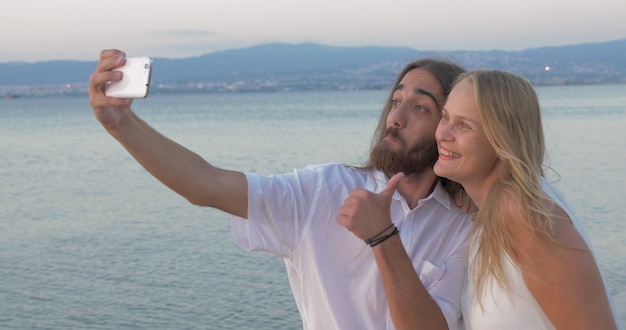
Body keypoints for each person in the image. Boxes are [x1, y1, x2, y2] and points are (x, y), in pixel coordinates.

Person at [88, 49, 473, 329]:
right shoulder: (324, 190)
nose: (396, 117)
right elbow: (208, 185)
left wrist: (385, 234)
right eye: (395, 100)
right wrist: (121, 126)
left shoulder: (466, 222)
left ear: (449, 126)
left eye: (420, 108)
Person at [432, 70, 622, 329]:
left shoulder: (523, 213)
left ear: (503, 139)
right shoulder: (489, 216)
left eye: (465, 125)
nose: (443, 133)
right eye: (445, 117)